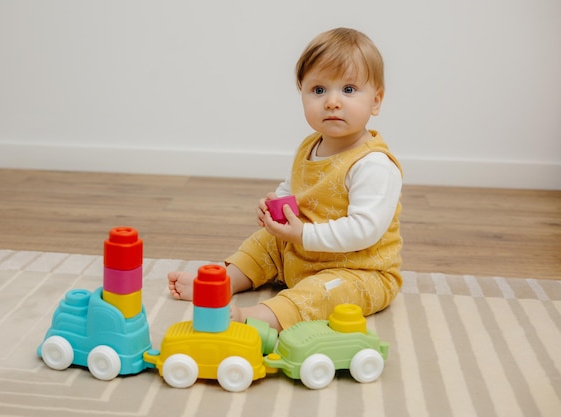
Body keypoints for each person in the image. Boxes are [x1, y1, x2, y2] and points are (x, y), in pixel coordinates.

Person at [168, 27, 403, 332]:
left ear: (376, 101)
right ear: (303, 93)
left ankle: (258, 316)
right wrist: (274, 205)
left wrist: (303, 234)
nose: (332, 101)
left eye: (348, 89)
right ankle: (222, 284)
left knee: (323, 292)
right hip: (302, 251)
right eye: (319, 90)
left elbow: (364, 230)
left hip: (359, 270)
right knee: (265, 242)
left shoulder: (374, 165)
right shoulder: (310, 146)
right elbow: (295, 188)